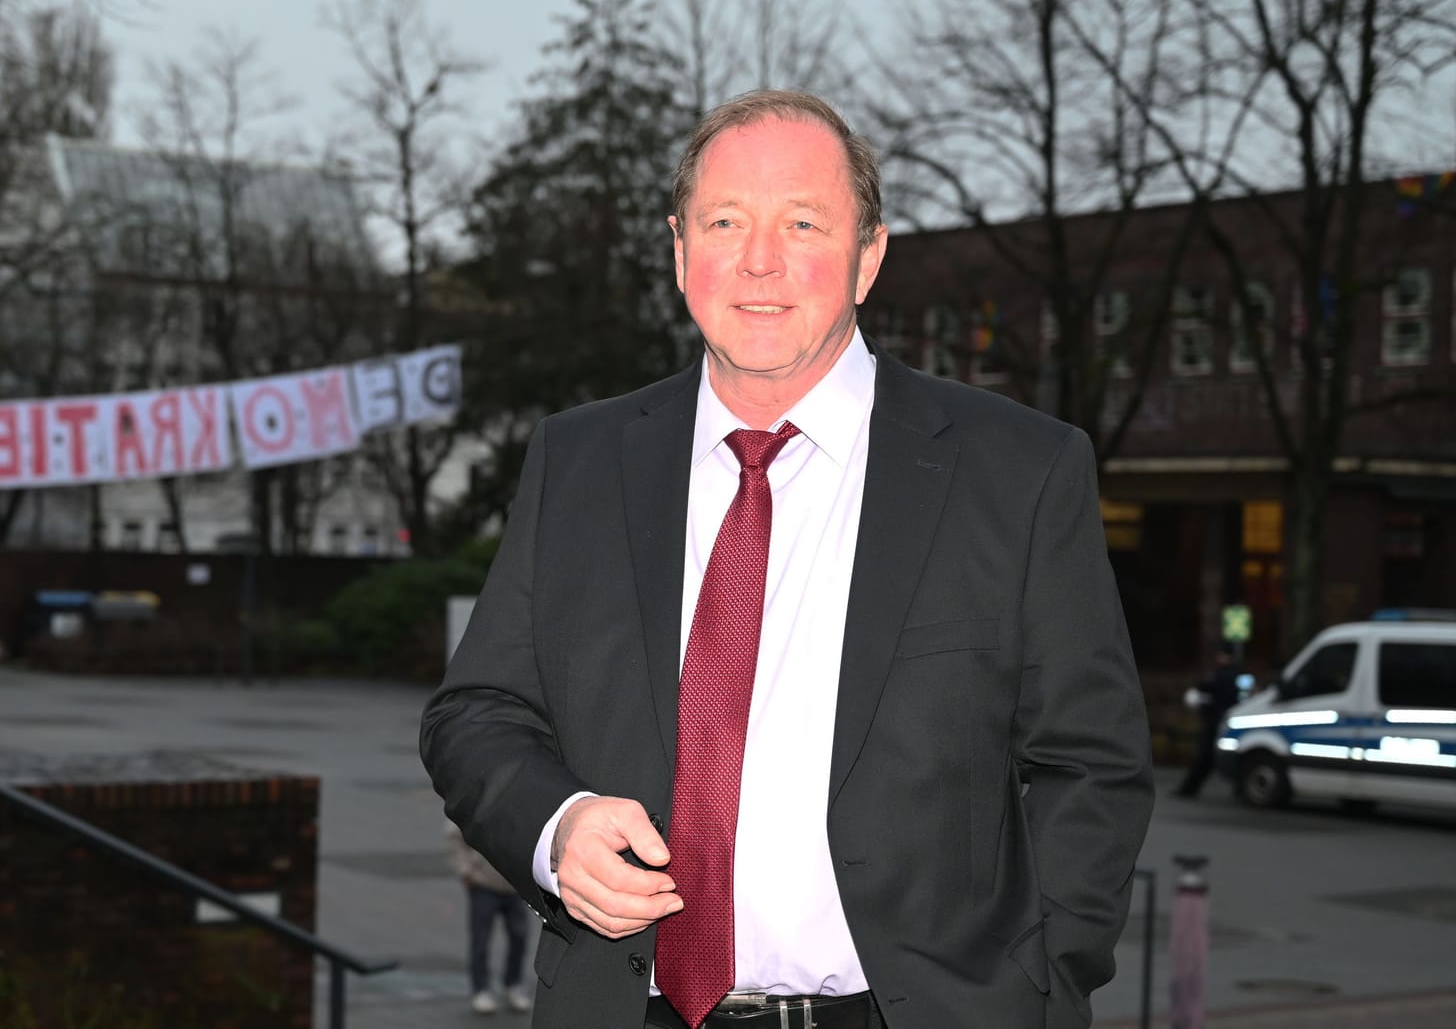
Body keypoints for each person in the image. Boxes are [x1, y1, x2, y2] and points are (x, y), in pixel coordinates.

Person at [421, 90, 1154, 1029]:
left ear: (868, 256)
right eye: (726, 221)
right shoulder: (580, 460)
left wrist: (1044, 983)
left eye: (803, 222)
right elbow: (477, 712)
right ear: (681, 250)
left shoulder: (1016, 469)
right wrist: (553, 829)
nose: (759, 260)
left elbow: (1092, 762)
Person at [447, 818, 534, 1016]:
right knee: (481, 939)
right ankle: (481, 990)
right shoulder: (480, 790)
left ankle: (513, 985)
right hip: (483, 885)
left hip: (515, 886)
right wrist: (465, 870)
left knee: (519, 936)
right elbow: (454, 834)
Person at [1175, 649, 1241, 799]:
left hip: (1215, 722)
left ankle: (1189, 789)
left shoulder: (1221, 676)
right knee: (1211, 756)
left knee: (1205, 756)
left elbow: (1207, 690)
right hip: (1224, 721)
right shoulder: (1233, 675)